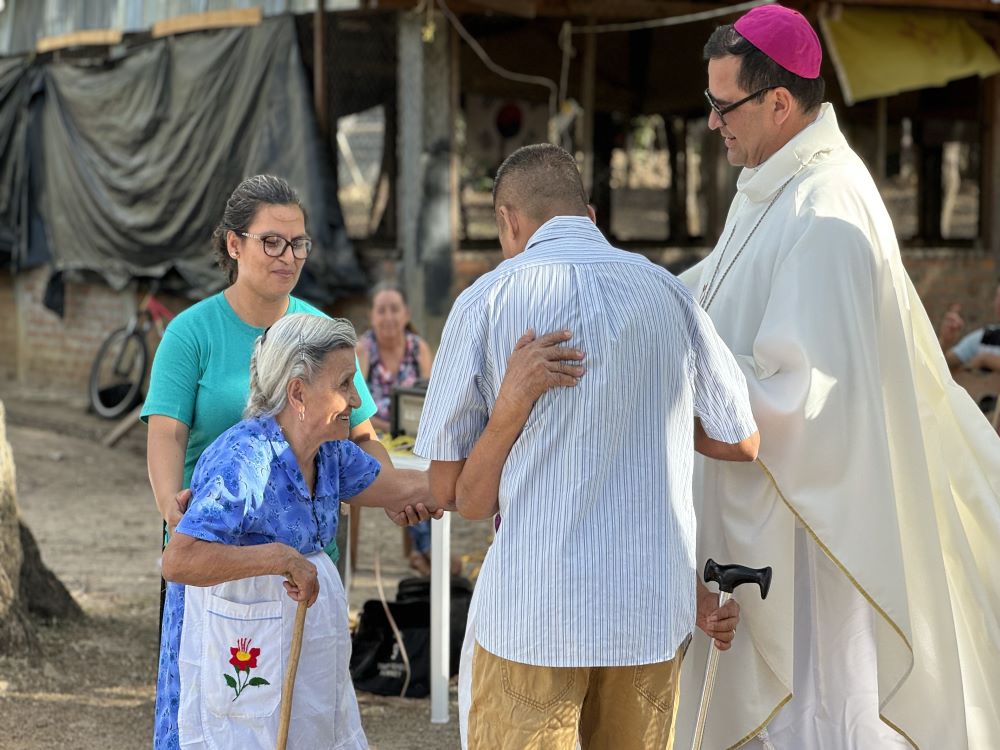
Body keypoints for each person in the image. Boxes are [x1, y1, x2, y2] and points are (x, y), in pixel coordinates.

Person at [676, 6, 1000, 749]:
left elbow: (802, 404)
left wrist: (667, 407)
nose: (713, 122)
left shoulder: (826, 206)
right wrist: (635, 294)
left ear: (779, 102)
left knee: (821, 711)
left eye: (723, 106)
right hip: (780, 523)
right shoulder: (769, 183)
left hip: (817, 537)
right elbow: (708, 289)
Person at [415, 143, 760, 750]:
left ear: (508, 221)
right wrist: (645, 411)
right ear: (591, 217)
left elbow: (456, 497)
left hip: (536, 614)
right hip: (648, 616)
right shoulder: (668, 293)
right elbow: (742, 440)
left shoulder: (488, 302)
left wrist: (512, 411)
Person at [153, 314, 443, 749]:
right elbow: (178, 560)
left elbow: (406, 487)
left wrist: (486, 485)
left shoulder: (331, 454)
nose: (356, 401)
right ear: (298, 393)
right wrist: (282, 558)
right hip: (230, 643)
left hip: (294, 639)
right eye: (344, 384)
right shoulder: (245, 459)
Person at [142, 175, 433, 568]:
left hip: (307, 561)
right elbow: (167, 434)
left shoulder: (324, 334)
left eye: (298, 244)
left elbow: (361, 439)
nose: (289, 256)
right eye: (272, 242)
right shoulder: (191, 334)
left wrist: (390, 491)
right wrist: (169, 506)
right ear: (234, 244)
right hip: (216, 560)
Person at [356, 282, 436, 574]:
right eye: (381, 310)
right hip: (374, 434)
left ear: (406, 314)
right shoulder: (363, 350)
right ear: (372, 316)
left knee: (427, 470)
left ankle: (423, 550)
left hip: (414, 434)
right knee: (402, 474)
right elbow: (355, 404)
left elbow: (430, 396)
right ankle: (424, 550)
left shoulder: (418, 348)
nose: (388, 317)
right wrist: (386, 425)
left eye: (394, 310)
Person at [938, 281, 1000, 372]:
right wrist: (945, 342)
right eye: (998, 296)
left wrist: (985, 359)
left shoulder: (984, 352)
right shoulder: (985, 337)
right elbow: (946, 363)